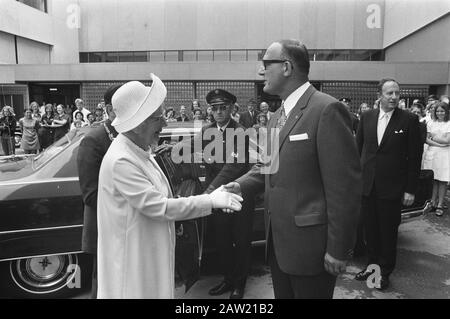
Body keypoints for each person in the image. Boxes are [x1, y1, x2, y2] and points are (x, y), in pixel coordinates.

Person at [224, 39, 362, 299]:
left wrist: (338, 248)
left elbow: (345, 188)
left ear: (286, 67)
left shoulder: (326, 109)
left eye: (266, 64)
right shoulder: (278, 116)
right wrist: (240, 185)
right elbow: (268, 164)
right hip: (278, 243)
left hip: (312, 250)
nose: (261, 71)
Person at [96, 74, 243, 299]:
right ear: (139, 122)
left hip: (148, 256)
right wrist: (210, 200)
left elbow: (232, 163)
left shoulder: (139, 150)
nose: (165, 123)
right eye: (158, 118)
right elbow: (159, 207)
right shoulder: (122, 160)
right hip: (135, 267)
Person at [166, 89, 255, 299]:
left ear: (232, 109)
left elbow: (233, 167)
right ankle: (228, 279)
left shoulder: (241, 131)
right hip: (217, 196)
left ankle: (239, 284)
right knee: (222, 240)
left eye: (223, 107)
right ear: (210, 111)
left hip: (237, 193)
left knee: (241, 241)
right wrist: (173, 147)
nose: (219, 112)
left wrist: (208, 192)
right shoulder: (207, 131)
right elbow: (192, 146)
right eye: (214, 108)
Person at [355, 78, 422, 290]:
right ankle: (372, 268)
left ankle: (384, 272)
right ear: (379, 96)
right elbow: (359, 151)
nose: (394, 97)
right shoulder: (366, 117)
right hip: (368, 186)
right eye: (389, 93)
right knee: (371, 231)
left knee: (388, 232)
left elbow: (414, 156)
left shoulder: (409, 120)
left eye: (397, 93)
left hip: (392, 188)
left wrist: (411, 189)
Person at [77, 84, 122, 299]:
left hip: (125, 227)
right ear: (110, 110)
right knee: (105, 284)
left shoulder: (129, 135)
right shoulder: (94, 140)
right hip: (105, 226)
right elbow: (90, 194)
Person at [422, 102, 450, 217]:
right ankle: (432, 202)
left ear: (447, 112)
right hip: (433, 152)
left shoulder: (449, 123)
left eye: (442, 111)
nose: (439, 113)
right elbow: (426, 139)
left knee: (442, 180)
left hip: (444, 154)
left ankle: (440, 204)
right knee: (433, 179)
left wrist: (434, 137)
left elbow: (448, 140)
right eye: (438, 111)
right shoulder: (430, 123)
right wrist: (440, 143)